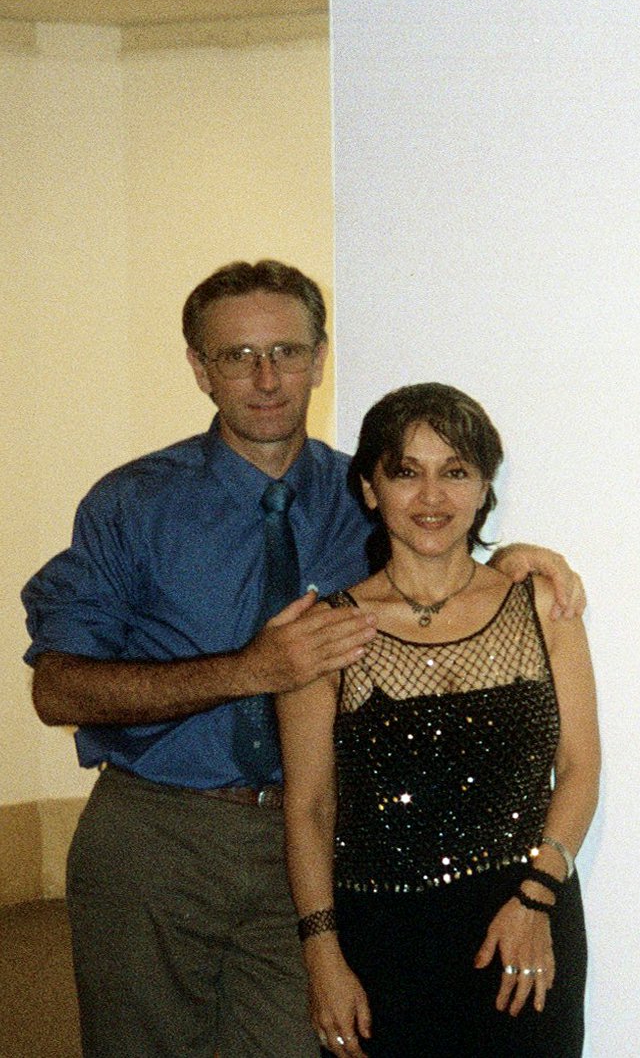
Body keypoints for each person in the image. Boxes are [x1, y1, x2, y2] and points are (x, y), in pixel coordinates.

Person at [22, 260, 584, 1058]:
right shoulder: (132, 503)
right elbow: (57, 688)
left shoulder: (358, 489)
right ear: (199, 369)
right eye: (237, 355)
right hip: (159, 832)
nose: (265, 377)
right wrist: (248, 669)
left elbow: (429, 554)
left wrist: (514, 557)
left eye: (286, 351)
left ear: (320, 358)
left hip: (314, 840)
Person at [278, 383, 599, 1058]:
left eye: (455, 471)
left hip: (523, 924)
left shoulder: (541, 606)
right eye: (406, 472)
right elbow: (308, 807)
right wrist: (322, 955)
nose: (432, 497)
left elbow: (579, 768)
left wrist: (538, 897)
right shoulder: (326, 635)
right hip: (382, 941)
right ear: (370, 488)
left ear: (483, 488)